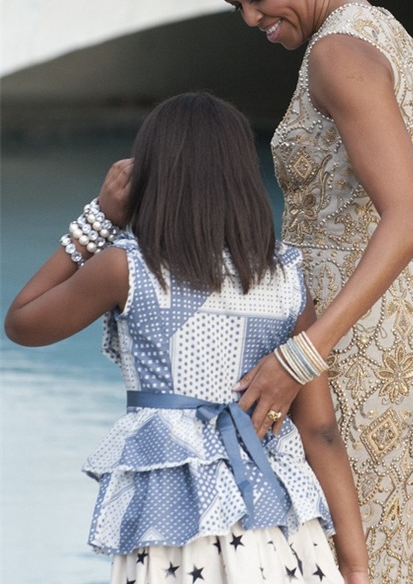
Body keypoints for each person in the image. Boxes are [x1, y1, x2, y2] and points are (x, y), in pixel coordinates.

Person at [191, 0, 413, 584]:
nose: (250, 17)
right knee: (376, 556)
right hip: (390, 323)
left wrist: (301, 355)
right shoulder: (381, 31)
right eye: (235, 4)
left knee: (351, 559)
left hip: (358, 340)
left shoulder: (336, 53)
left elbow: (410, 217)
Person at [4, 92, 371, 584]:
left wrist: (99, 220)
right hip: (275, 525)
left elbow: (22, 322)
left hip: (171, 523)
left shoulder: (128, 269)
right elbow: (320, 430)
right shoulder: (287, 279)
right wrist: (355, 563)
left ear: (152, 178)